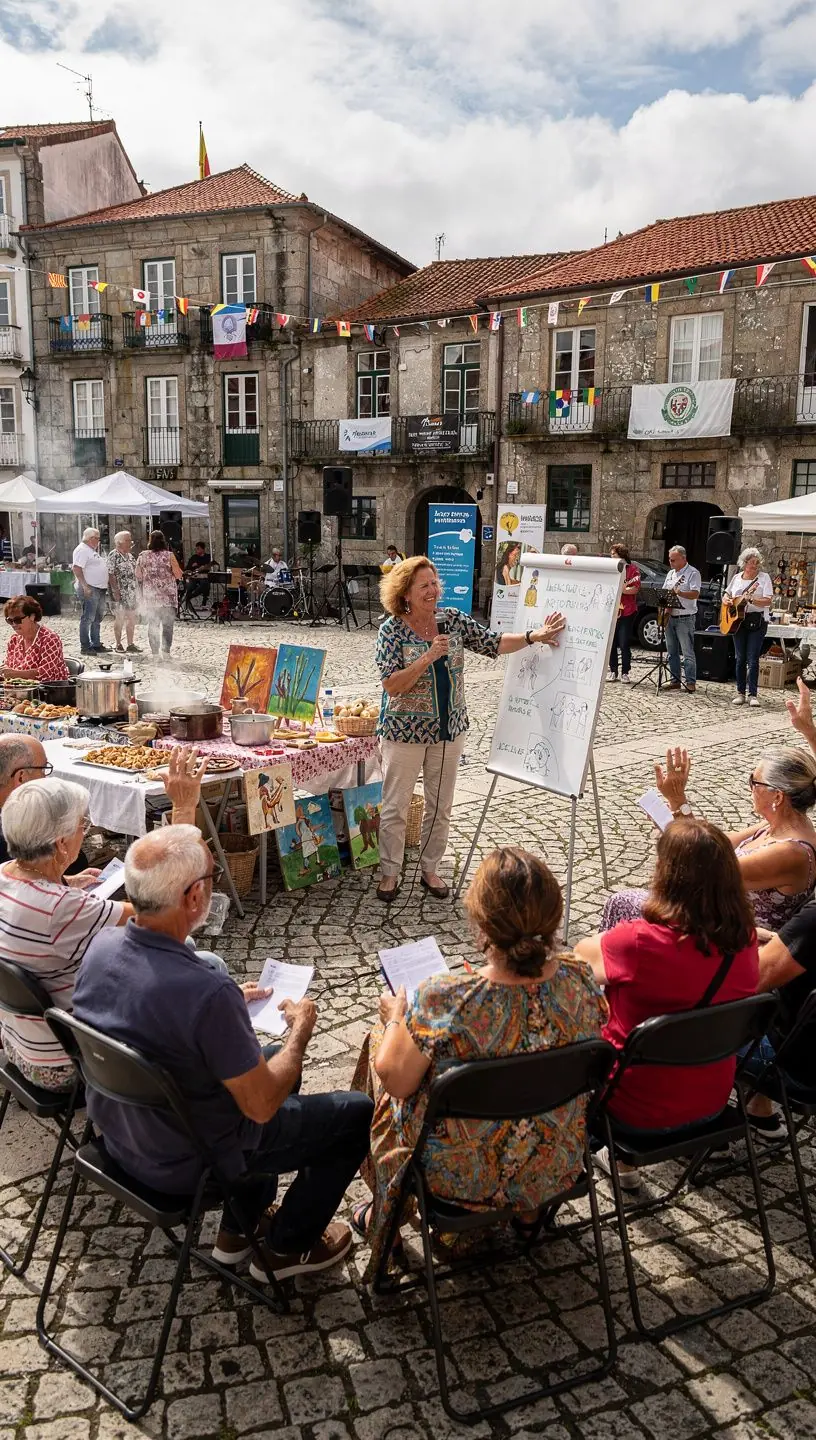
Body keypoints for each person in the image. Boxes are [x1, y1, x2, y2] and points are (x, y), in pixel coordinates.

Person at [71, 825, 373, 1283]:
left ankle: (238, 1231)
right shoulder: (206, 991)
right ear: (193, 897)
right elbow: (261, 1104)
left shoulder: (101, 947)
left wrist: (227, 1002)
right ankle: (288, 1247)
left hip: (124, 1137)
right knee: (355, 1112)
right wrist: (301, 1033)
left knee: (267, 1056)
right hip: (192, 1161)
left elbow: (154, 1012)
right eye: (212, 880)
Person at [350, 847, 606, 1276]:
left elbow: (394, 1081)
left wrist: (396, 1017)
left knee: (382, 1044)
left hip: (458, 1176)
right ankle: (528, 1216)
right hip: (554, 1160)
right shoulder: (580, 979)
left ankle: (386, 1219)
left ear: (482, 923)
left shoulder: (448, 996)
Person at [575, 817, 759, 1187]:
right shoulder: (746, 939)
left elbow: (578, 962)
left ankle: (620, 1162)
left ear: (667, 876)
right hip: (712, 1105)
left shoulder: (639, 943)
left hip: (631, 1112)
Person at [375, 556, 566, 902]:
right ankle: (390, 872)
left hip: (450, 728)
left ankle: (430, 869)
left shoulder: (453, 621)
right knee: (395, 805)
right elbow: (391, 685)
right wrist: (427, 657)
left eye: (435, 583)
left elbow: (493, 643)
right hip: (404, 732)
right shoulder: (391, 629)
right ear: (405, 593)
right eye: (424, 586)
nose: (433, 591)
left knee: (441, 805)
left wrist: (532, 636)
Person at [0, 778, 133, 1091]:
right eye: (82, 825)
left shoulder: (5, 873)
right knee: (188, 958)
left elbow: (34, 891)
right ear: (60, 844)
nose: (84, 833)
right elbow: (154, 912)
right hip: (66, 1063)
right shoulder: (61, 908)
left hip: (18, 1042)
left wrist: (66, 881)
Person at [606, 742, 816, 932]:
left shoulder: (791, 852)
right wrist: (676, 809)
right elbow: (716, 844)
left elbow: (705, 867)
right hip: (717, 921)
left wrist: (678, 806)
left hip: (730, 941)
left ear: (777, 796)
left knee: (621, 902)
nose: (750, 787)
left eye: (754, 781)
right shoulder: (779, 825)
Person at [723, 547, 773, 708]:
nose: (755, 566)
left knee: (753, 659)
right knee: (740, 658)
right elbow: (726, 594)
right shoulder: (737, 577)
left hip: (756, 621)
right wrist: (727, 601)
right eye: (752, 563)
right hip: (738, 621)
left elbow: (768, 601)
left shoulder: (763, 578)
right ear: (744, 563)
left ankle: (752, 694)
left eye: (757, 563)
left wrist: (752, 600)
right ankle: (740, 692)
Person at [135, 529, 183, 660]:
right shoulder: (169, 556)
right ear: (163, 541)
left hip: (151, 598)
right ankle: (166, 653)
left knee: (153, 625)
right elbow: (178, 574)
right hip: (168, 598)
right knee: (167, 625)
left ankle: (155, 654)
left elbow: (138, 575)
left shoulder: (142, 556)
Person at [2, 596, 69, 683]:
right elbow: (8, 667)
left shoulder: (49, 639)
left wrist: (16, 674)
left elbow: (46, 674)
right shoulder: (14, 640)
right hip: (21, 690)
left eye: (17, 620)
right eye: (10, 621)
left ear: (32, 616)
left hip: (50, 691)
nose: (14, 624)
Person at [662, 544, 701, 695]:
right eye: (670, 560)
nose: (671, 563)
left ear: (683, 559)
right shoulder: (671, 573)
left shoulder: (693, 573)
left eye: (673, 560)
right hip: (670, 616)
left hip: (685, 617)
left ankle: (690, 682)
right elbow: (666, 591)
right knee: (671, 651)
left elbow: (695, 594)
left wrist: (680, 593)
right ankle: (675, 680)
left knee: (687, 651)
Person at [72, 526, 110, 656]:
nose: (99, 541)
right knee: (88, 617)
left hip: (99, 588)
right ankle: (86, 645)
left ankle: (96, 643)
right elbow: (77, 568)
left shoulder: (90, 550)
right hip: (91, 588)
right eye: (98, 538)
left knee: (97, 618)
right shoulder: (82, 550)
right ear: (91, 538)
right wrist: (85, 586)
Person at [608, 544, 641, 684]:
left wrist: (621, 589)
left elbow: (634, 589)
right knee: (611, 643)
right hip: (611, 611)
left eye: (614, 555)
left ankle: (625, 672)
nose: (611, 557)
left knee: (624, 642)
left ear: (622, 556)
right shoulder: (610, 569)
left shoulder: (633, 570)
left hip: (627, 611)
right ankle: (613, 670)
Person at [107, 531, 140, 654]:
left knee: (131, 618)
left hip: (131, 592)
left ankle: (130, 643)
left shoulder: (130, 556)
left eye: (130, 540)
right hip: (119, 593)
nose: (130, 542)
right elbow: (110, 574)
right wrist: (115, 591)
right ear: (119, 542)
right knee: (119, 618)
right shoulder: (113, 555)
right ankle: (118, 643)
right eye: (127, 540)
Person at [183, 540, 215, 608]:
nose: (196, 550)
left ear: (203, 549)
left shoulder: (208, 557)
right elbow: (188, 567)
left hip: (204, 576)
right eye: (196, 548)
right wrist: (193, 567)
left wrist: (200, 566)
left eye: (198, 548)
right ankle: (187, 602)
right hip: (194, 576)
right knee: (190, 585)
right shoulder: (193, 557)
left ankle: (200, 601)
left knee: (205, 584)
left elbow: (208, 567)